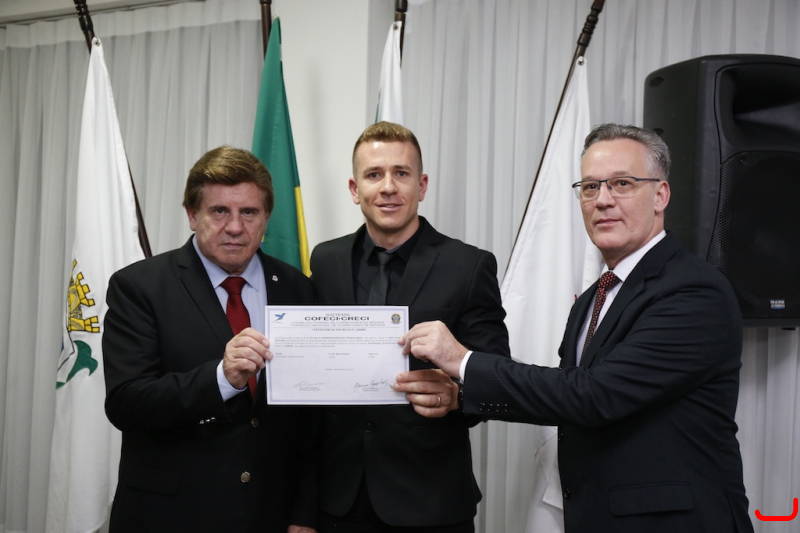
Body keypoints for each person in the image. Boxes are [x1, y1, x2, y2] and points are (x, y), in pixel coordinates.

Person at [397, 124, 753, 533]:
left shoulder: (693, 290)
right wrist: (461, 396)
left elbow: (594, 396)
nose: (603, 200)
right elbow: (567, 399)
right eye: (590, 187)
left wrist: (464, 361)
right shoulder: (592, 299)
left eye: (622, 183)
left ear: (660, 195)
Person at [103, 146, 318, 533]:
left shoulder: (297, 288)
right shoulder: (140, 287)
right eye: (219, 211)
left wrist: (305, 513)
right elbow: (126, 403)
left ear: (266, 217)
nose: (235, 227)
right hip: (171, 516)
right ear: (192, 215)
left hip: (271, 514)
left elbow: (312, 418)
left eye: (248, 212)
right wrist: (221, 379)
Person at [310, 121, 510, 532]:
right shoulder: (325, 261)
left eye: (401, 173)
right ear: (354, 189)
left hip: (430, 502)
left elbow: (497, 377)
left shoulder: (468, 265)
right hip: (339, 501)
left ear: (422, 185)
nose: (388, 187)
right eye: (374, 174)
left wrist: (456, 396)